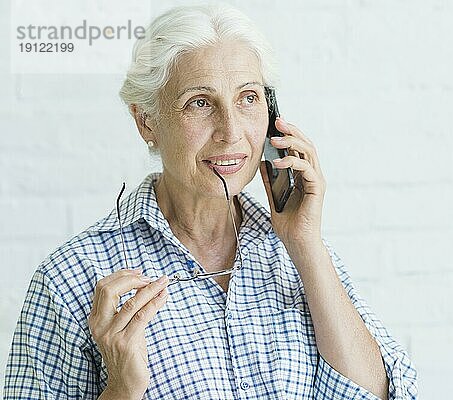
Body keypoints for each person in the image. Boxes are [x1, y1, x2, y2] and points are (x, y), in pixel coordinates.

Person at [4, 4, 417, 399]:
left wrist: (307, 245)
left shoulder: (299, 252)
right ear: (147, 120)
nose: (232, 131)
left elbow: (377, 393)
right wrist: (121, 391)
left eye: (249, 98)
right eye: (200, 103)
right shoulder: (71, 278)